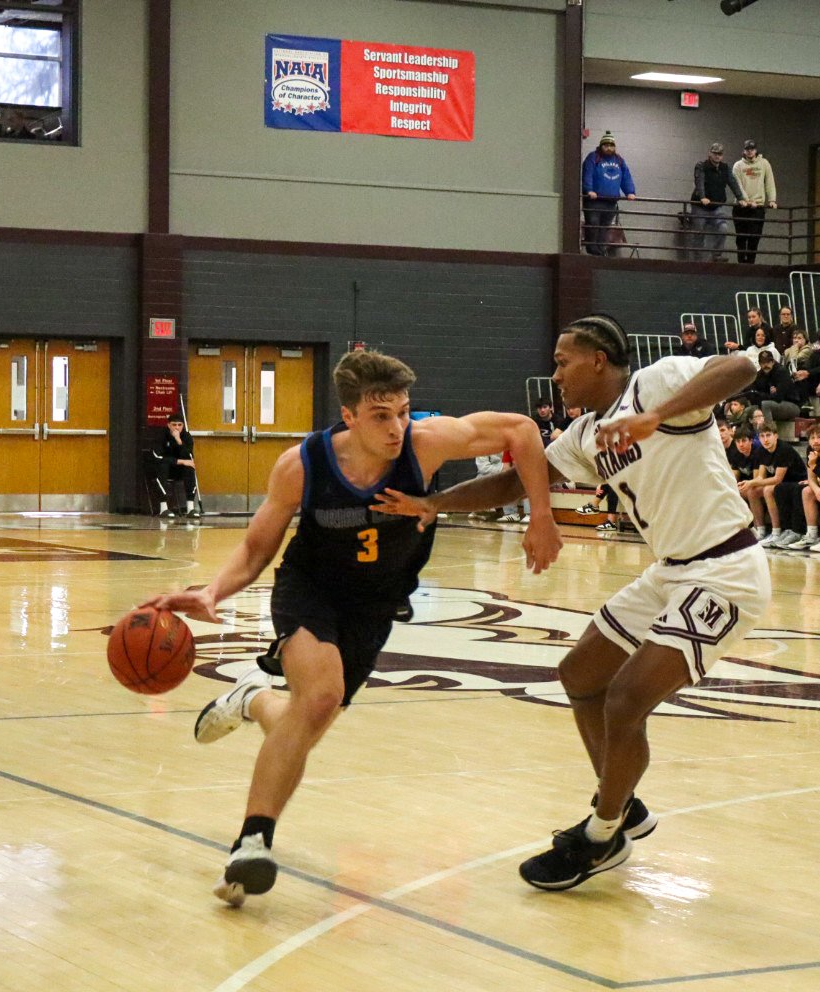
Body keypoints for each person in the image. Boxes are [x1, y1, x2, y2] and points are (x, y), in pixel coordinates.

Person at [143, 350, 563, 905]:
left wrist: (541, 513)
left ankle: (251, 699)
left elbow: (522, 429)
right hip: (311, 590)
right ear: (350, 417)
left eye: (403, 412)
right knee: (320, 696)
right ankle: (252, 844)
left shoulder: (425, 444)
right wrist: (212, 591)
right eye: (381, 415)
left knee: (304, 720)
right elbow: (256, 547)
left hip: (375, 604)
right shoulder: (303, 465)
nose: (396, 428)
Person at [378, 316, 772, 891]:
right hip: (672, 571)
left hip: (726, 570)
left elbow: (740, 367)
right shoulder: (585, 434)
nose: (556, 373)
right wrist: (435, 503)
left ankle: (601, 834)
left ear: (597, 358)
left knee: (626, 697)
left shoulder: (658, 384)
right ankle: (624, 803)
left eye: (564, 361)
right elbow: (515, 482)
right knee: (579, 674)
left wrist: (655, 418)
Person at [582, 132, 636, 257]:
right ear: (601, 146)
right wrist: (589, 190)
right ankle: (591, 248)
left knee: (604, 227)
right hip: (594, 201)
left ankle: (600, 250)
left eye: (611, 145)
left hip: (611, 202)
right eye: (606, 145)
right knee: (593, 224)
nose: (609, 148)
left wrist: (630, 192)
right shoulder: (593, 157)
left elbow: (626, 177)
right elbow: (587, 174)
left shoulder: (619, 160)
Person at [690, 142, 746, 262]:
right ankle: (697, 260)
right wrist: (702, 197)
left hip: (716, 207)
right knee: (699, 233)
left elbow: (733, 183)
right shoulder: (701, 166)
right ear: (710, 153)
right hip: (700, 207)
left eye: (719, 154)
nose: (717, 156)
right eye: (715, 153)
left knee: (723, 228)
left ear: (722, 156)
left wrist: (740, 198)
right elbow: (699, 181)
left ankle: (717, 255)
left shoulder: (725, 168)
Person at [732, 140, 777, 264]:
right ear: (744, 151)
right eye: (747, 149)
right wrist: (746, 200)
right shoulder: (738, 166)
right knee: (741, 238)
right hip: (741, 206)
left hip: (758, 207)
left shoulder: (764, 163)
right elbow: (737, 185)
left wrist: (772, 199)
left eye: (752, 149)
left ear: (756, 150)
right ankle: (741, 264)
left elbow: (769, 182)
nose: (750, 151)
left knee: (754, 237)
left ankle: (751, 264)